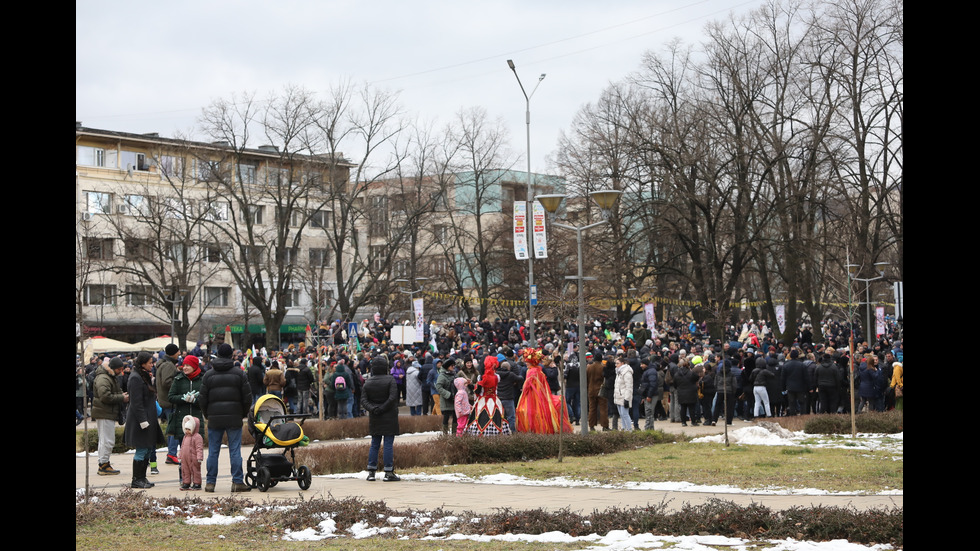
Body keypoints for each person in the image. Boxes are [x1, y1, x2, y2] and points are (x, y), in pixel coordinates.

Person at [199, 343, 252, 493]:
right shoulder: (239, 373)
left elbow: (202, 398)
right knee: (235, 450)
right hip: (234, 416)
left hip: (214, 418)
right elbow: (247, 397)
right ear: (231, 356)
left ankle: (210, 483)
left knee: (213, 451)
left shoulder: (208, 375)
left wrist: (207, 414)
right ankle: (237, 482)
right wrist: (242, 413)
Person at [124, 351, 166, 489]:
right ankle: (137, 479)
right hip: (140, 421)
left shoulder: (143, 376)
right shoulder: (135, 378)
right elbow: (136, 403)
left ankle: (142, 477)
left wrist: (151, 382)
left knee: (148, 449)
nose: (152, 365)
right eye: (150, 363)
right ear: (143, 363)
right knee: (142, 450)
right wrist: (143, 420)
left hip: (148, 418)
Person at [361, 355, 400, 482]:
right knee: (388, 444)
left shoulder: (368, 382)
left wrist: (373, 409)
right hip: (389, 416)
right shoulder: (391, 380)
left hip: (375, 416)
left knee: (374, 444)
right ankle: (388, 472)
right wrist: (383, 408)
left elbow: (363, 400)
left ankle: (371, 472)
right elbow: (393, 397)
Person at [515, 348, 572, 434]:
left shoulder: (530, 371)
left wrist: (523, 390)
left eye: (527, 361)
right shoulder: (539, 370)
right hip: (540, 394)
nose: (526, 363)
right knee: (542, 412)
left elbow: (527, 385)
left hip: (532, 395)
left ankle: (534, 430)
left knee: (530, 413)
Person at [167, 354, 205, 480]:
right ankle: (184, 478)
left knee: (195, 451)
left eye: (188, 365)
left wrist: (196, 400)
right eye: (184, 365)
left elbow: (206, 398)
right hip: (181, 420)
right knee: (184, 450)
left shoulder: (202, 380)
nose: (185, 367)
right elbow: (171, 397)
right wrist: (183, 398)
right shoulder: (178, 380)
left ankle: (196, 479)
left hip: (196, 419)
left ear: (194, 366)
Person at [92, 356, 129, 475]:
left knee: (106, 440)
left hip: (106, 412)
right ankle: (103, 465)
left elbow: (108, 393)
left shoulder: (108, 377)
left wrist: (120, 394)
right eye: (119, 369)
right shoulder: (103, 378)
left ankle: (104, 463)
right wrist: (121, 397)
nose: (121, 372)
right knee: (107, 440)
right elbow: (105, 396)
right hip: (105, 412)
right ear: (113, 368)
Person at [465, 356, 513, 436]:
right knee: (498, 418)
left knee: (480, 418)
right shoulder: (497, 377)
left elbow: (478, 390)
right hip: (495, 400)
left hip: (483, 400)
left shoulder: (480, 377)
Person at [155, 343, 181, 466]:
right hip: (170, 402)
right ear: (173, 353)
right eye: (178, 352)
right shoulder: (169, 365)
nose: (179, 354)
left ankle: (172, 453)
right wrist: (178, 384)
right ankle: (171, 454)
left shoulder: (163, 363)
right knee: (174, 429)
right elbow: (167, 382)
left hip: (165, 400)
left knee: (172, 428)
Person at [496, 360, 522, 432]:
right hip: (508, 398)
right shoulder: (510, 375)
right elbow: (520, 379)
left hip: (498, 398)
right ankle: (512, 432)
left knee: (499, 416)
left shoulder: (496, 374)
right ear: (509, 368)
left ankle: (500, 431)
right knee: (511, 417)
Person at [178, 415, 204, 490]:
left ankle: (197, 483)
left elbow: (199, 448)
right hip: (185, 458)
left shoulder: (197, 437)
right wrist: (180, 456)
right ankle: (186, 482)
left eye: (189, 429)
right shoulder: (185, 437)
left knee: (195, 470)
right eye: (186, 429)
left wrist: (199, 457)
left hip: (194, 458)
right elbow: (182, 447)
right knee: (185, 470)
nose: (187, 431)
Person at [586, 352, 609, 431]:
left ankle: (591, 425)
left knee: (592, 408)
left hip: (591, 390)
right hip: (601, 390)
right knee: (603, 408)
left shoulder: (589, 367)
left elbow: (586, 379)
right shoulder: (602, 367)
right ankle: (604, 426)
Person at [435, 358, 458, 435]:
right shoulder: (442, 375)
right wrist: (448, 395)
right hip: (446, 401)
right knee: (446, 418)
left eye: (454, 365)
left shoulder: (454, 374)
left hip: (454, 400)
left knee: (455, 417)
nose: (453, 367)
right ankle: (445, 435)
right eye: (452, 365)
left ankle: (454, 434)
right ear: (447, 366)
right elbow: (438, 387)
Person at [612, 356, 634, 431]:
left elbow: (629, 386)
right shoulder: (618, 372)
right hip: (619, 396)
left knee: (625, 414)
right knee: (621, 415)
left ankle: (629, 429)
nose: (616, 365)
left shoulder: (626, 372)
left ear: (622, 363)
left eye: (617, 363)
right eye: (615, 363)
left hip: (624, 396)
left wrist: (627, 398)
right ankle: (624, 428)